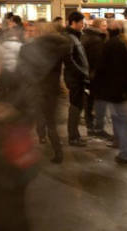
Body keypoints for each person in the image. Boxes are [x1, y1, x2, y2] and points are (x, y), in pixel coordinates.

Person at [19, 22, 70, 163]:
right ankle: (58, 153)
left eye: (32, 31)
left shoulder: (27, 48)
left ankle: (25, 152)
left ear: (39, 33)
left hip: (33, 89)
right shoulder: (59, 48)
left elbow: (22, 71)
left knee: (28, 121)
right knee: (51, 122)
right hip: (52, 90)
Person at [95, 19, 127, 165]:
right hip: (126, 87)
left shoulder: (110, 44)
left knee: (120, 120)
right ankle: (123, 149)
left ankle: (125, 153)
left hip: (114, 88)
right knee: (123, 119)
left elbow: (102, 67)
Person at [62, 11, 90, 147]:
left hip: (78, 77)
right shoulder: (69, 37)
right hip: (75, 78)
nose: (83, 25)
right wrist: (81, 72)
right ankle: (73, 137)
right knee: (75, 106)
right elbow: (69, 59)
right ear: (74, 23)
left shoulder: (75, 36)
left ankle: (75, 135)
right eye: (81, 22)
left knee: (78, 106)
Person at [82, 17, 110, 139]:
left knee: (90, 101)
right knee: (96, 101)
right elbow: (97, 60)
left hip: (89, 74)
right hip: (95, 75)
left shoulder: (88, 36)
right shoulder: (97, 40)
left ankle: (91, 126)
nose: (106, 27)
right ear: (98, 26)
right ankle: (96, 128)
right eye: (104, 25)